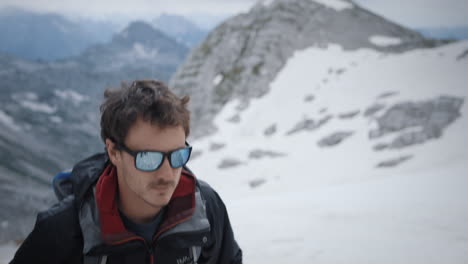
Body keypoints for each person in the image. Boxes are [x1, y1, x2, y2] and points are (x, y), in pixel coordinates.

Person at [11, 80, 242, 264]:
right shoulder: (62, 231)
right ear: (113, 152)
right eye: (148, 158)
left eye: (177, 155)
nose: (167, 174)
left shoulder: (206, 208)